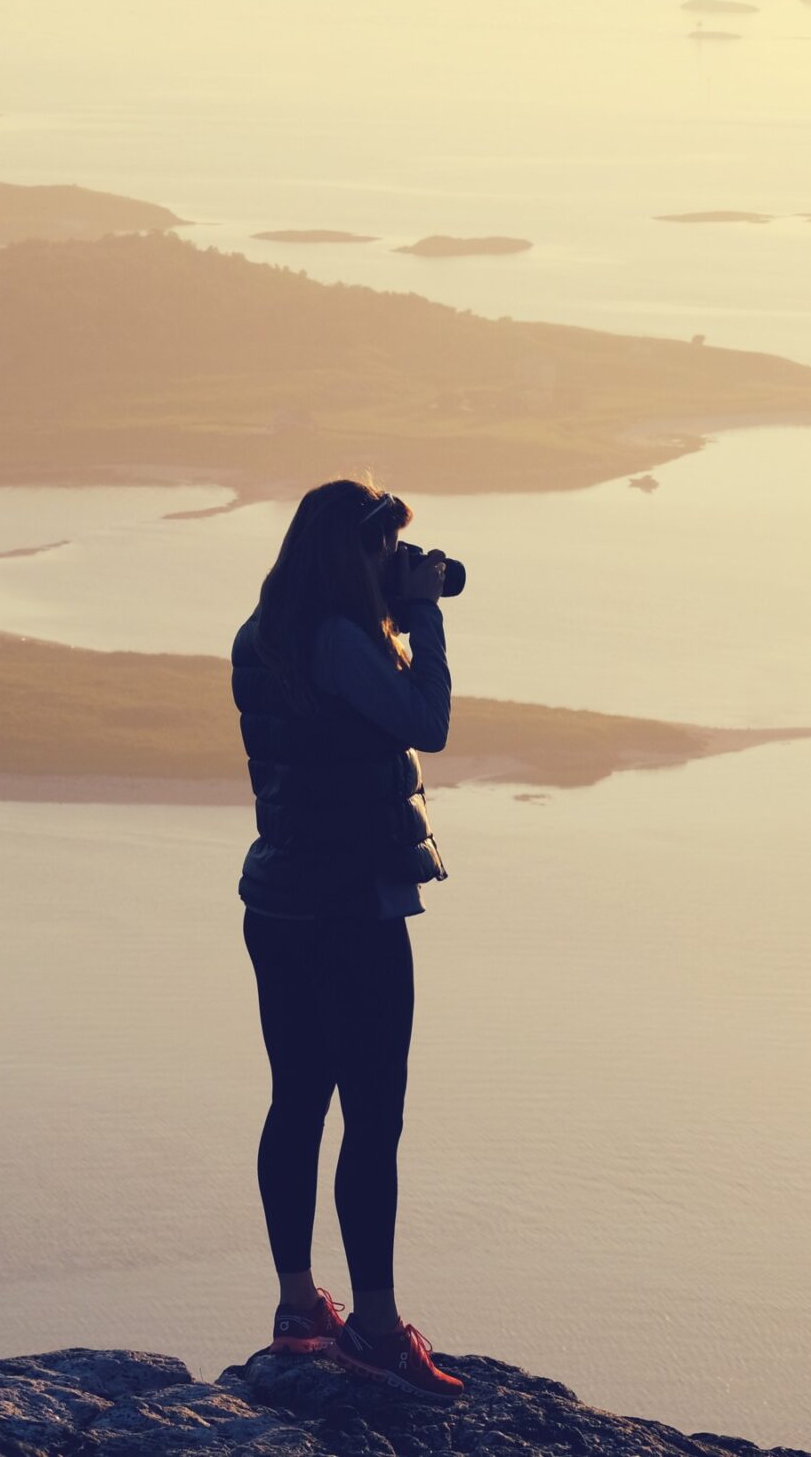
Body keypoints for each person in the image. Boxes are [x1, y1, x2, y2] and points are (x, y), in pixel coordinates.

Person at [229, 477, 466, 1403]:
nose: (393, 565)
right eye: (383, 551)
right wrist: (423, 619)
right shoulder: (337, 639)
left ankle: (298, 1308)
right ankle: (373, 1326)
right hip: (351, 911)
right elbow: (427, 723)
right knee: (373, 1116)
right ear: (350, 553)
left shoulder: (265, 635)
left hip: (278, 901)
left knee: (296, 1102)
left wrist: (393, 608)